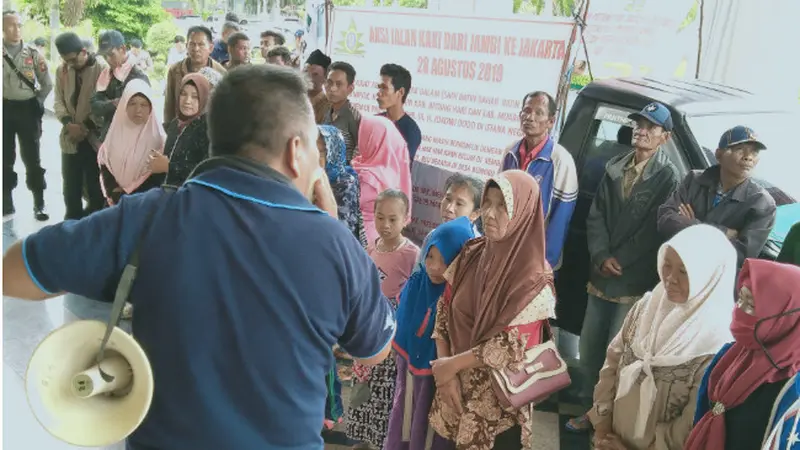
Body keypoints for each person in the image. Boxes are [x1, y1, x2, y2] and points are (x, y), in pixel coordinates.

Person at [2, 64, 396, 450]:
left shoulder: (148, 215)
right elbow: (374, 348)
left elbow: (14, 271)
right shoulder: (335, 245)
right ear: (296, 151)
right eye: (314, 147)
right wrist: (329, 229)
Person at [570, 102, 681, 432]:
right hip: (601, 273)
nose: (641, 130)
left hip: (633, 279)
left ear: (665, 137)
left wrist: (621, 259)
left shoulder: (668, 176)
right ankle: (589, 407)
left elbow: (654, 230)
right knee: (589, 347)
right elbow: (596, 216)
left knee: (619, 353)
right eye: (639, 124)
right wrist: (602, 255)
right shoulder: (615, 165)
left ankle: (609, 417)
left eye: (650, 126)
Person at [428, 170, 556, 450]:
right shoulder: (472, 254)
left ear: (523, 213)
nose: (490, 213)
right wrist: (445, 372)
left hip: (497, 408)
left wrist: (450, 366)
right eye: (487, 202)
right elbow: (444, 309)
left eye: (503, 206)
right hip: (454, 392)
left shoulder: (534, 279)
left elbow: (510, 346)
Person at [589, 224, 737, 450]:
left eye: (684, 271)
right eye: (666, 265)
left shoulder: (717, 342)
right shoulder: (647, 306)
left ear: (709, 275)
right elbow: (612, 362)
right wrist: (602, 425)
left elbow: (690, 423)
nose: (670, 278)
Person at [685, 259, 800, 450]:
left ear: (785, 317)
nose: (740, 312)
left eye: (751, 305)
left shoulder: (793, 389)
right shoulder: (731, 354)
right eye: (740, 300)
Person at [386, 216, 476, 450]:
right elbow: (403, 321)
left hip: (441, 376)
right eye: (430, 257)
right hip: (409, 367)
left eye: (445, 260)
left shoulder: (460, 298)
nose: (434, 267)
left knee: (428, 423)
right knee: (406, 412)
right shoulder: (417, 282)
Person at [348, 189, 420, 450]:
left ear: (406, 219)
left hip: (392, 333)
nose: (385, 225)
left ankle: (382, 440)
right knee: (362, 384)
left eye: (392, 219)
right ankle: (364, 437)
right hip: (368, 327)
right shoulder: (370, 248)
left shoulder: (412, 254)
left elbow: (415, 298)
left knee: (385, 391)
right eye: (380, 218)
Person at [658, 125, 777, 267]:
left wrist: (689, 224)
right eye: (740, 149)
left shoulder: (762, 204)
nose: (748, 157)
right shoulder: (695, 180)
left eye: (754, 152)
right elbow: (665, 219)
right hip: (676, 265)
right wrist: (723, 232)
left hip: (715, 278)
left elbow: (741, 255)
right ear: (719, 154)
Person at [499, 91, 578, 271]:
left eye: (538, 113)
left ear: (551, 121)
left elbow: (560, 218)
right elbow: (498, 200)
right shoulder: (510, 151)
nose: (530, 117)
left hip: (535, 258)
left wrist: (544, 263)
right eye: (526, 111)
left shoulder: (561, 161)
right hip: (505, 249)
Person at [3, 11, 53, 220]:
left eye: (19, 25)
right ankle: (6, 202)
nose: (17, 29)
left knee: (32, 159)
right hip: (4, 110)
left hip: (27, 109)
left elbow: (47, 83)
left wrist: (38, 103)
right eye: (11, 25)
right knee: (4, 158)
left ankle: (39, 203)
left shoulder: (32, 53)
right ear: (3, 29)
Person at [53, 32, 107, 220]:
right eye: (66, 60)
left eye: (73, 59)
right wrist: (69, 124)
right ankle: (71, 227)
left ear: (84, 51)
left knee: (95, 189)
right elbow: (58, 101)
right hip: (69, 138)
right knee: (70, 188)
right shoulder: (62, 70)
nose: (70, 64)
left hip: (92, 139)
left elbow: (103, 106)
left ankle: (92, 229)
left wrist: (83, 127)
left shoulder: (101, 69)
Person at [97, 79, 165, 205]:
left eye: (144, 105)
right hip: (114, 202)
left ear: (151, 108)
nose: (138, 110)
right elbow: (104, 164)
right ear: (124, 105)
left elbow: (156, 177)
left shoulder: (159, 140)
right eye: (132, 104)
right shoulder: (114, 134)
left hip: (142, 205)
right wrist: (113, 191)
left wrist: (127, 194)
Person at [353, 115, 412, 244]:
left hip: (362, 240)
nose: (359, 138)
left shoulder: (370, 177)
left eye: (364, 134)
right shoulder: (391, 169)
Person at [149, 73, 211, 186]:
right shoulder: (175, 124)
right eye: (183, 94)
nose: (187, 101)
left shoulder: (207, 129)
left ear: (204, 98)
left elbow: (207, 171)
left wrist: (169, 167)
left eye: (195, 97)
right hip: (167, 194)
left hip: (190, 197)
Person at [414, 173, 484, 270]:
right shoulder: (432, 235)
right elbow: (417, 273)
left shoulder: (476, 248)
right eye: (448, 199)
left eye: (459, 204)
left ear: (475, 214)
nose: (449, 208)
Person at [91, 30, 150, 142]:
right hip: (108, 138)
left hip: (130, 140)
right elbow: (94, 105)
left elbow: (142, 113)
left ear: (122, 49)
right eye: (104, 56)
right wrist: (114, 103)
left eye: (111, 54)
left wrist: (109, 104)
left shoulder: (138, 77)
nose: (108, 60)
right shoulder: (106, 74)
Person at [164, 26, 226, 124]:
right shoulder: (175, 71)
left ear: (210, 48)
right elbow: (169, 105)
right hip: (181, 128)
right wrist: (169, 129)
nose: (196, 49)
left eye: (201, 44)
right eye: (192, 44)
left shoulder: (220, 73)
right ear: (186, 46)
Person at [318, 124, 366, 246]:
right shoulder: (311, 176)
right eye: (313, 150)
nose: (317, 157)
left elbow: (343, 228)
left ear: (334, 150)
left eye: (322, 151)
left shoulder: (345, 182)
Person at [377, 63, 421, 164]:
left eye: (384, 88)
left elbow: (399, 166)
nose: (379, 93)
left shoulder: (411, 130)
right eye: (379, 88)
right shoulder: (376, 121)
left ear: (400, 92)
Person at [324, 61, 362, 162]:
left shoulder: (354, 117)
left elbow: (359, 152)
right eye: (329, 82)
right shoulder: (326, 113)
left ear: (350, 89)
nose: (332, 88)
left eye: (339, 84)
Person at [306, 49, 331, 124]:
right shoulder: (296, 99)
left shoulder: (328, 105)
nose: (309, 77)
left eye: (315, 74)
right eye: (306, 72)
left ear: (325, 77)